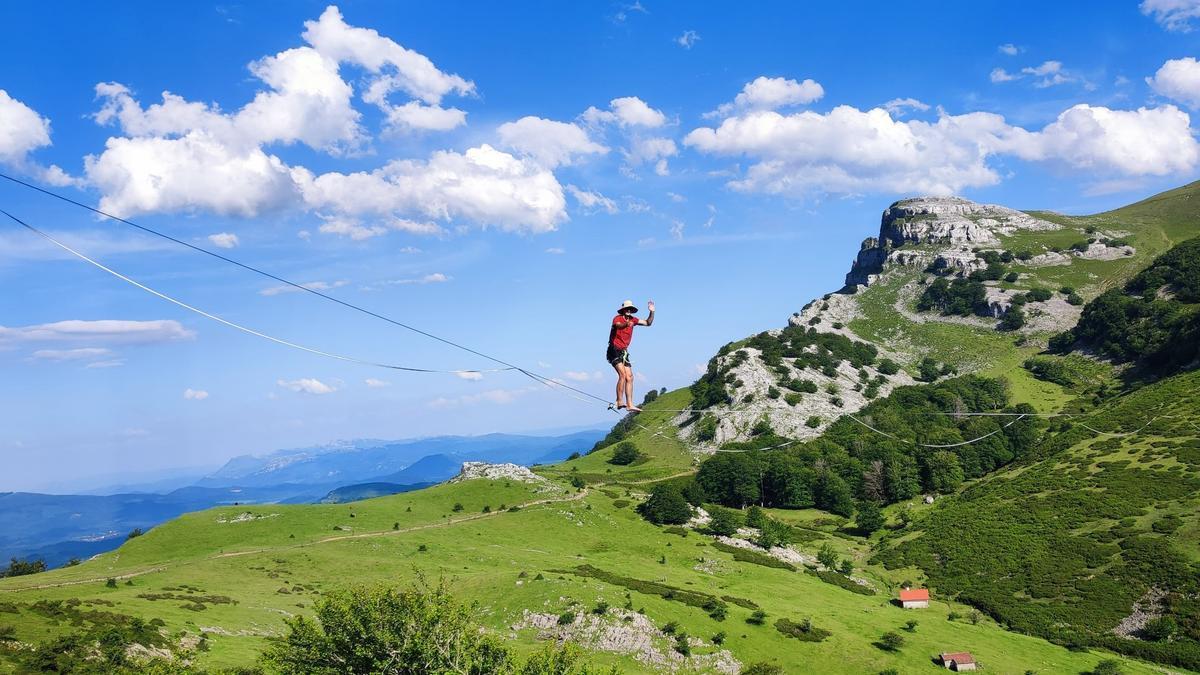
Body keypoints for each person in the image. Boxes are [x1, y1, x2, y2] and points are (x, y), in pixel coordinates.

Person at [607, 299, 654, 412]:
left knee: (630, 377)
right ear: (623, 310)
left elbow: (648, 323)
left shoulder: (634, 320)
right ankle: (619, 400)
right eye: (626, 309)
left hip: (624, 352)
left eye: (630, 309)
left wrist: (652, 312)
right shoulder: (617, 318)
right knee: (622, 374)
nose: (628, 310)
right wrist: (626, 324)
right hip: (613, 349)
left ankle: (630, 404)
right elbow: (618, 326)